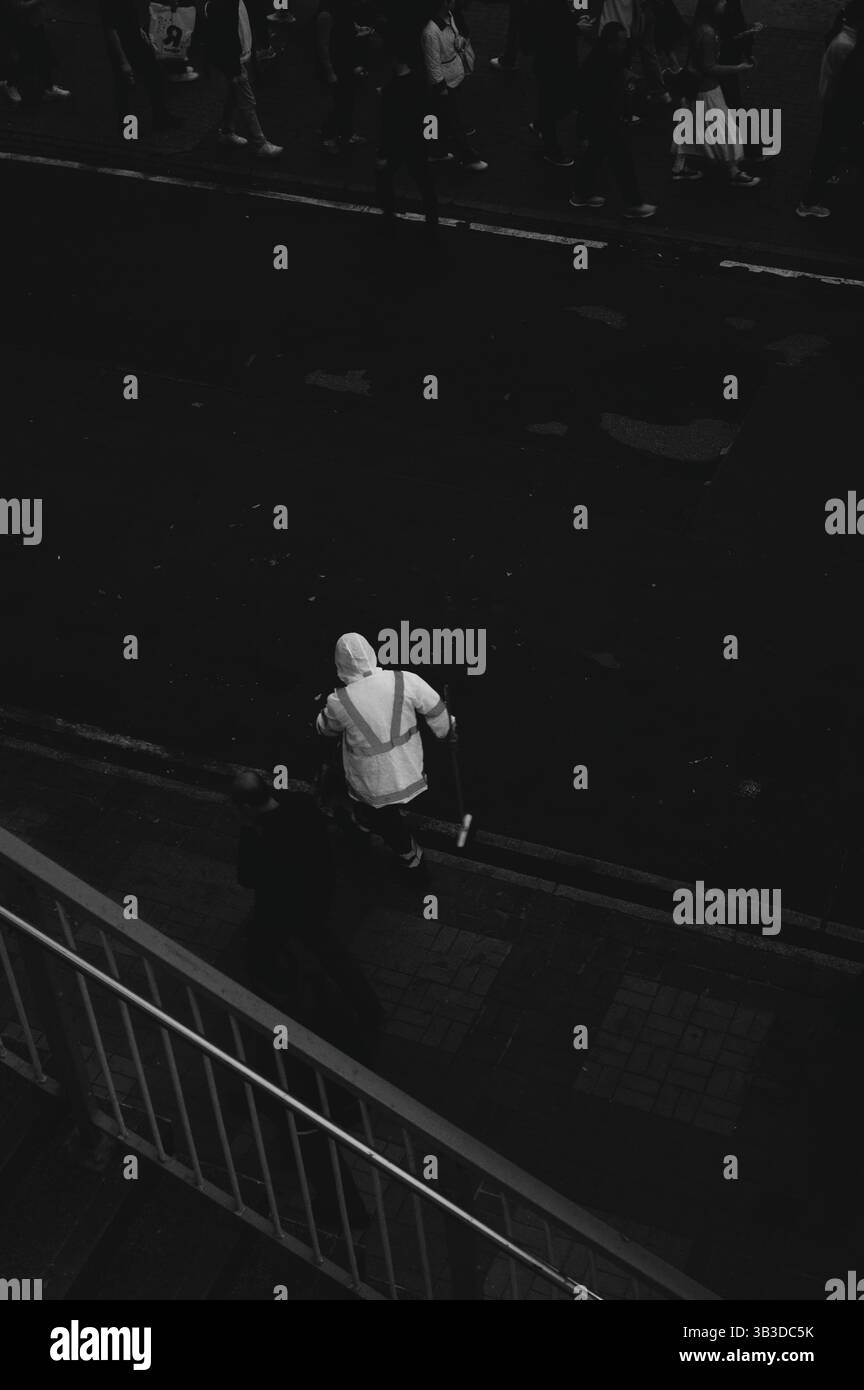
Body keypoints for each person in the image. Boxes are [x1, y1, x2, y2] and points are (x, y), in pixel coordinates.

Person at [231, 770, 385, 1030]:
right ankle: (368, 1008)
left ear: (246, 807)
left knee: (263, 947)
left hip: (283, 908)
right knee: (331, 954)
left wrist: (247, 830)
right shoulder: (301, 804)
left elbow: (246, 877)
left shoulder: (261, 834)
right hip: (318, 893)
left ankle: (286, 994)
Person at [315, 632, 453, 873]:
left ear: (340, 665)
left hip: (373, 786)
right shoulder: (405, 679)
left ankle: (411, 858)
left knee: (384, 819)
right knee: (387, 816)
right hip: (409, 771)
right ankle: (385, 834)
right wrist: (445, 731)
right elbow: (437, 711)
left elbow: (324, 728)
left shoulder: (339, 700)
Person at [568, 20, 656, 216]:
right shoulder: (601, 65)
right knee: (621, 160)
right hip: (604, 119)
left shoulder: (604, 57)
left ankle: (581, 194)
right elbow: (595, 99)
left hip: (601, 119)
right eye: (621, 42)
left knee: (595, 156)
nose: (624, 45)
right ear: (611, 43)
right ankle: (633, 204)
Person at [670, 0, 760, 187]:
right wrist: (739, 68)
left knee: (691, 126)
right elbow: (710, 67)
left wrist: (745, 35)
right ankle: (733, 171)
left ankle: (680, 166)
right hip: (708, 89)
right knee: (725, 129)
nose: (724, 4)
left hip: (696, 88)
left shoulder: (700, 28)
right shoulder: (708, 32)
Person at [797, 0, 862, 218]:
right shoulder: (847, 44)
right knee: (832, 146)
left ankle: (821, 175)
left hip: (836, 102)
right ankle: (809, 201)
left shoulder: (844, 37)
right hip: (841, 104)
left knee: (831, 143)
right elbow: (849, 80)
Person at [375, 43, 439, 238]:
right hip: (417, 144)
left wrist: (383, 153)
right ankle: (432, 220)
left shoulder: (392, 91)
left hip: (398, 145)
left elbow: (388, 125)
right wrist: (430, 141)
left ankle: (388, 213)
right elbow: (430, 113)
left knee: (384, 176)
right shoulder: (420, 82)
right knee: (425, 183)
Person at [204, 0, 283, 154]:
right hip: (234, 61)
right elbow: (225, 38)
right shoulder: (221, 5)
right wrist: (234, 69)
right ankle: (260, 143)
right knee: (247, 101)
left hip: (237, 58)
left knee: (233, 97)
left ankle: (227, 132)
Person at [421, 0, 487, 171]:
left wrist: (460, 41)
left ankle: (434, 151)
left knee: (435, 117)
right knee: (451, 120)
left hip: (452, 78)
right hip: (444, 84)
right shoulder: (431, 32)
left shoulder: (449, 17)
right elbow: (433, 65)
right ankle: (467, 157)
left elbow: (453, 38)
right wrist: (441, 87)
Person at [101, 0, 181, 132]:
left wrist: (139, 30)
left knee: (153, 75)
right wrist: (123, 61)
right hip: (125, 45)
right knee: (125, 85)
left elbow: (127, 15)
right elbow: (111, 31)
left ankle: (158, 118)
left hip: (134, 40)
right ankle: (130, 127)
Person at [531, 0, 582, 167]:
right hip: (554, 61)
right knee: (556, 103)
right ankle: (551, 149)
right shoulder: (548, 5)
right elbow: (552, 30)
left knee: (549, 100)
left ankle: (541, 126)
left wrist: (575, 21)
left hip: (551, 60)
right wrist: (576, 27)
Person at [316, 0, 367, 155]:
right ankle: (328, 136)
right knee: (341, 103)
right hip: (337, 66)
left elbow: (347, 27)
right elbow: (323, 45)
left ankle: (347, 134)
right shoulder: (326, 14)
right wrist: (329, 72)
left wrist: (357, 29)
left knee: (348, 100)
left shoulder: (344, 7)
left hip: (347, 63)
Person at [0, 0, 69, 104]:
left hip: (32, 21)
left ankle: (48, 87)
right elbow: (15, 7)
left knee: (42, 53)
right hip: (15, 23)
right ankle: (9, 84)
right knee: (19, 56)